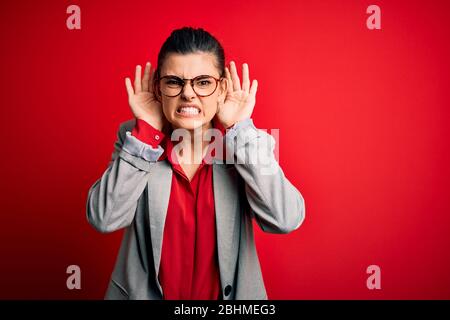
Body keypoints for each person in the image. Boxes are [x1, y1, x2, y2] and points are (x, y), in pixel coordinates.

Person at [86, 26, 305, 300]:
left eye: (203, 82)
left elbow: (285, 219)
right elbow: (104, 218)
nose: (188, 94)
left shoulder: (244, 144)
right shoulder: (136, 139)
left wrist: (240, 129)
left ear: (221, 87)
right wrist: (146, 135)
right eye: (174, 81)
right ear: (158, 88)